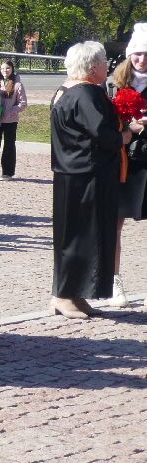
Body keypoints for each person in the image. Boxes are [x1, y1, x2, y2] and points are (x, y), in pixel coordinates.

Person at [50, 41, 139, 318]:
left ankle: (75, 294)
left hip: (73, 173)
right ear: (91, 67)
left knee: (79, 237)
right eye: (103, 62)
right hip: (86, 175)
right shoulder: (86, 94)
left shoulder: (66, 90)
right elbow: (106, 136)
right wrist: (130, 131)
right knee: (79, 239)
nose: (107, 66)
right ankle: (63, 295)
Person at [108, 24, 147, 304]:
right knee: (116, 223)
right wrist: (127, 126)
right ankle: (115, 282)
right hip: (123, 159)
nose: (142, 60)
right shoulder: (114, 83)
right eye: (137, 54)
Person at [0, 60, 28, 180]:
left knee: (8, 146)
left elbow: (23, 103)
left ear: (12, 69)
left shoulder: (17, 85)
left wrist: (11, 111)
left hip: (10, 121)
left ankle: (7, 173)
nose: (5, 70)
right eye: (3, 68)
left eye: (8, 68)